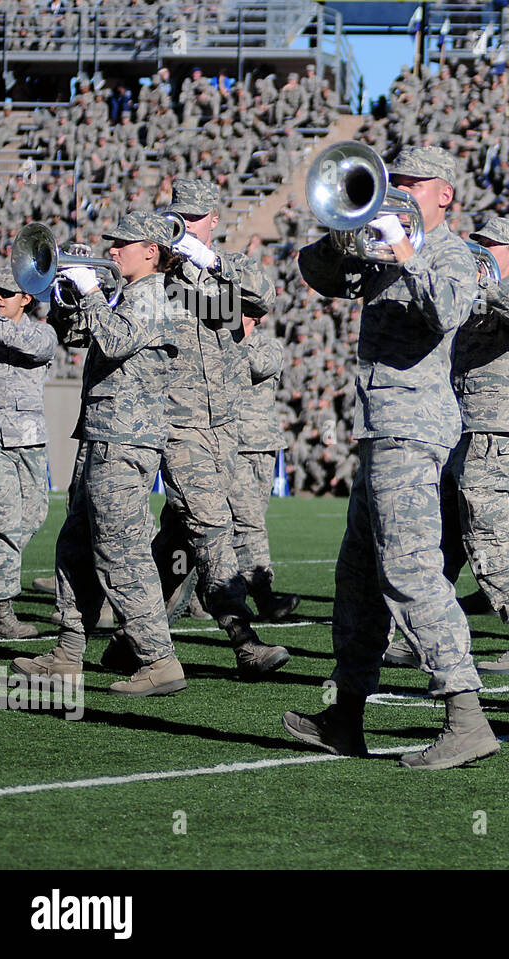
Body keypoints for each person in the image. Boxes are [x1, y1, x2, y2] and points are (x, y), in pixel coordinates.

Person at [287, 145, 499, 770]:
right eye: (393, 181)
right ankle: (346, 715)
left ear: (445, 196)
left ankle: (466, 715)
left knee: (408, 570)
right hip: (379, 428)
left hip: (414, 429)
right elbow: (316, 273)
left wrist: (407, 251)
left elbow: (451, 310)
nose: (399, 191)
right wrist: (347, 235)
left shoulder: (453, 253)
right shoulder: (379, 250)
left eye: (413, 184)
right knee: (357, 577)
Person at [13, 212, 185, 696]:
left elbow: (115, 340)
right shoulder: (124, 297)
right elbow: (77, 338)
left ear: (151, 251)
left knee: (121, 551)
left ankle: (158, 659)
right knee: (74, 547)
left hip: (125, 441)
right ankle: (68, 652)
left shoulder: (155, 297)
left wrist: (90, 292)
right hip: (100, 436)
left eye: (122, 244)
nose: (111, 251)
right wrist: (68, 299)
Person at [139, 178, 290, 681]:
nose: (184, 226)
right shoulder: (157, 274)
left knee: (179, 531)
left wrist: (209, 261)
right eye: (177, 217)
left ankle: (135, 633)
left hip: (223, 426)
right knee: (210, 525)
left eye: (195, 219)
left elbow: (261, 294)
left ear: (213, 222)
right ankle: (243, 639)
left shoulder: (218, 274)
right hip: (179, 422)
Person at [437, 216, 509, 676]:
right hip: (453, 426)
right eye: (477, 243)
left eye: (491, 246)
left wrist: (494, 278)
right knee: (444, 535)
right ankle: (416, 630)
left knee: (486, 533)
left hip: (489, 430)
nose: (479, 250)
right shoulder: (471, 291)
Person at [0, 265, 55, 639]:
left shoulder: (40, 332)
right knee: (3, 521)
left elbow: (32, 347)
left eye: (6, 292)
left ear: (26, 298)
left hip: (28, 438)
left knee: (35, 513)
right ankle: (2, 612)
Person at [229, 308, 300, 622]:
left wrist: (234, 341)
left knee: (250, 519)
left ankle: (210, 593)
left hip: (263, 446)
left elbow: (259, 367)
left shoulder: (268, 346)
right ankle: (264, 597)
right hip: (233, 446)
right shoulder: (220, 344)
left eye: (242, 313)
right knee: (249, 523)